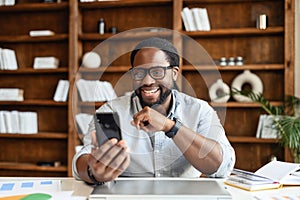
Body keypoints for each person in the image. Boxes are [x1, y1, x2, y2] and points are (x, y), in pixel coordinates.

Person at [72, 37, 235, 185]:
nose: (147, 81)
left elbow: (221, 167)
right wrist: (94, 172)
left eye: (157, 72)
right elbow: (82, 161)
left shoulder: (200, 111)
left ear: (174, 73)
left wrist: (170, 127)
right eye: (139, 73)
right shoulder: (111, 111)